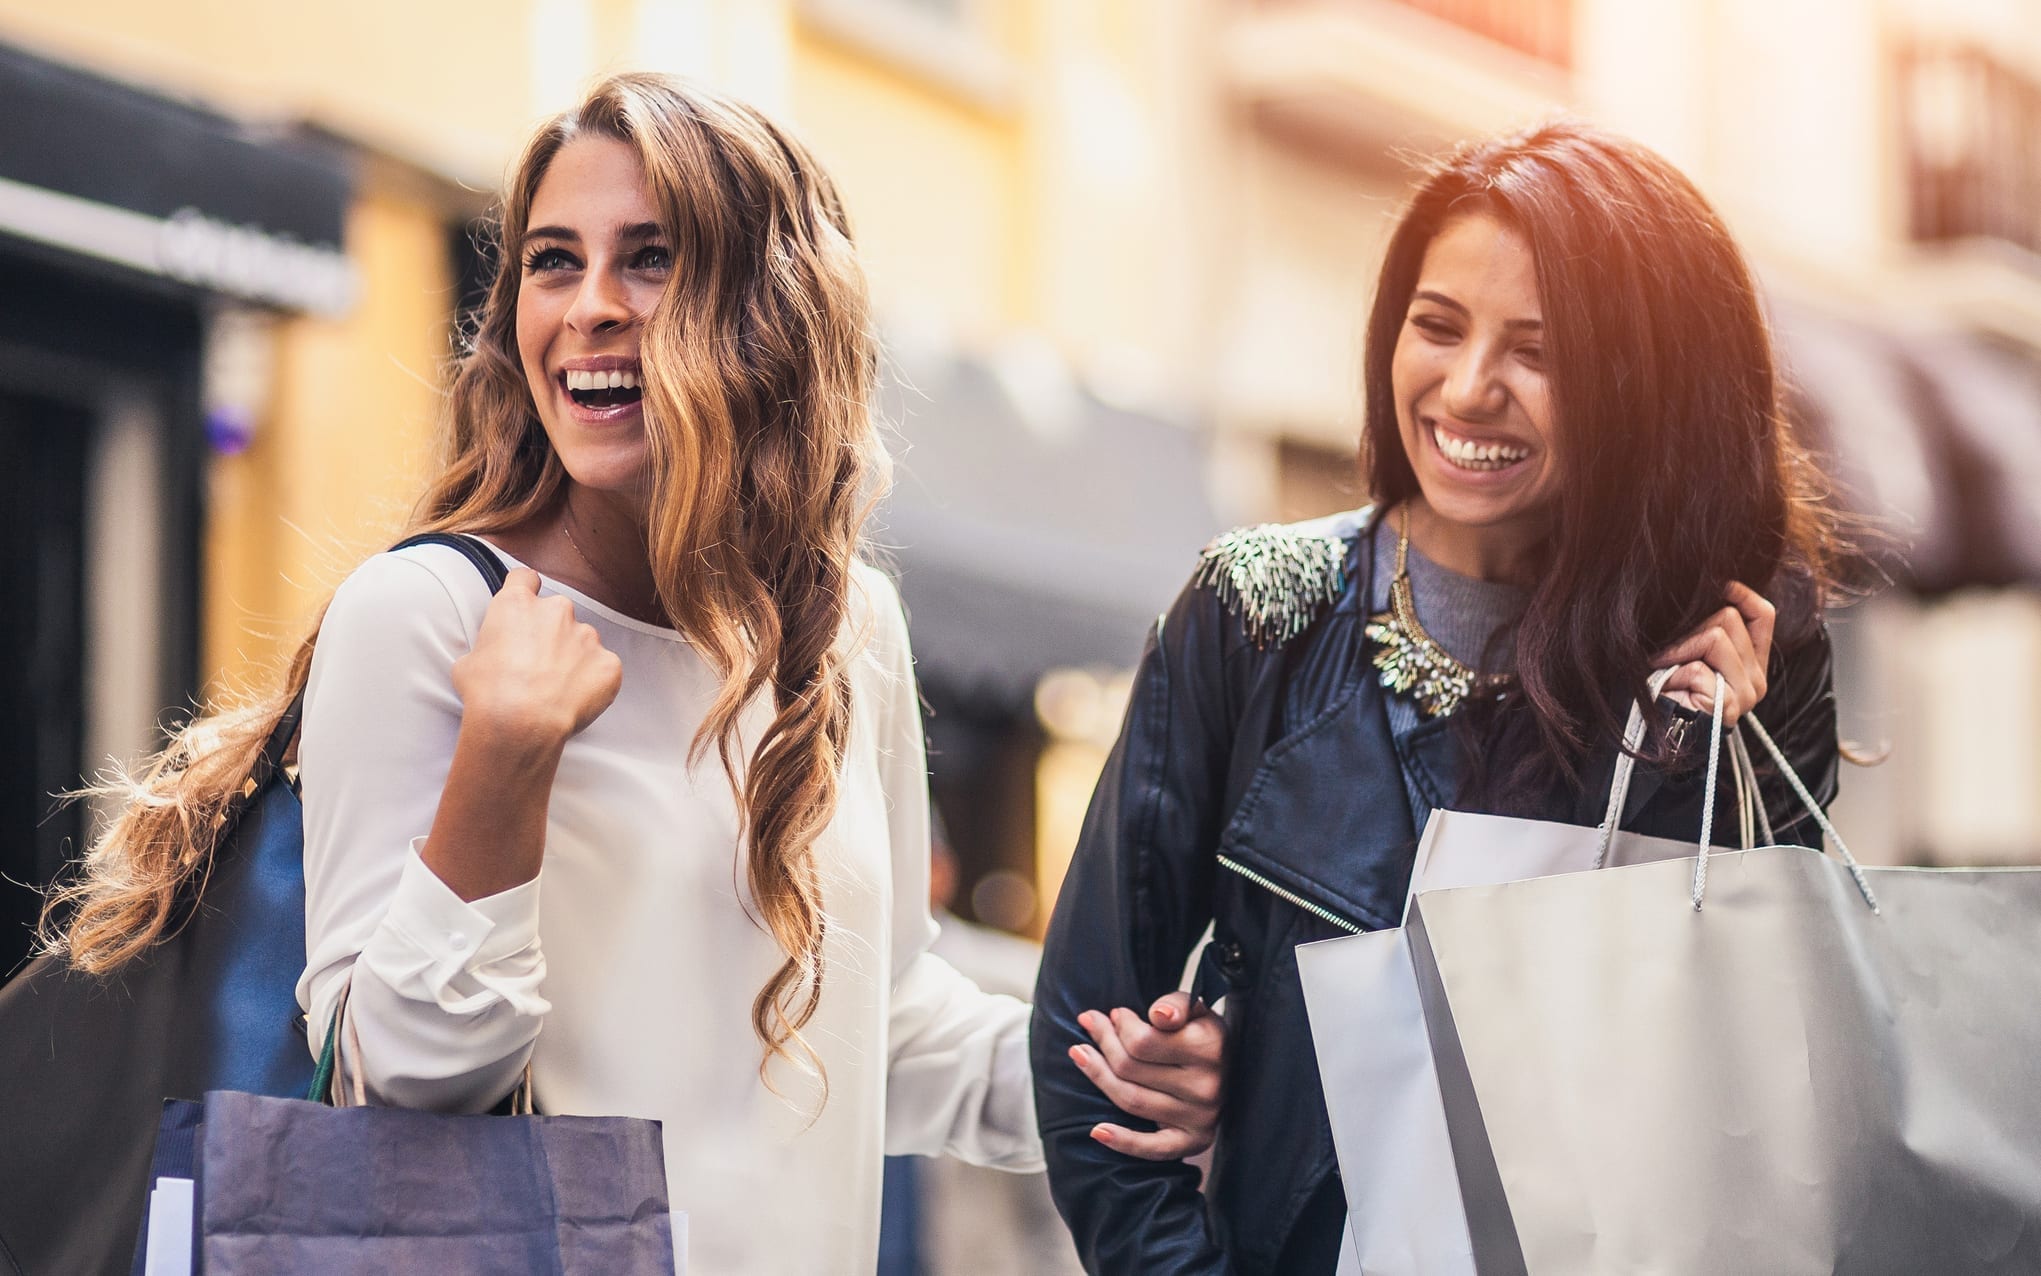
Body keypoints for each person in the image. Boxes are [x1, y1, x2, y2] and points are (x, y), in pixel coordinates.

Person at [48, 73, 1221, 1274]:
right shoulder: (431, 616)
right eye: (554, 262)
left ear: (773, 313)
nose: (592, 306)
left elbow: (887, 1030)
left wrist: (1115, 1079)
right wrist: (504, 762)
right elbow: (393, 1081)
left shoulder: (842, 628)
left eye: (651, 259)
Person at [1030, 120, 1855, 1274]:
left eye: (1541, 349)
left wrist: (1703, 756)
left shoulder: (1750, 658)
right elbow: (1089, 1064)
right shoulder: (1254, 613)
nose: (1468, 389)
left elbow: (1732, 1083)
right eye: (1436, 324)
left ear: (1647, 383)